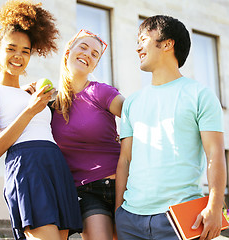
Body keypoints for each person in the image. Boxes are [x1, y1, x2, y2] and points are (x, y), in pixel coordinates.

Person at [0, 1, 82, 240]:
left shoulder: (31, 93)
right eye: (11, 48)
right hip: (27, 165)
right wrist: (31, 110)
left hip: (55, 164)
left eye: (25, 51)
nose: (18, 56)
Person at [115, 15, 226, 240]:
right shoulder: (132, 103)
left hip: (179, 218)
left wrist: (215, 207)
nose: (138, 48)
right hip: (130, 219)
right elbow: (125, 159)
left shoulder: (200, 95)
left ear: (167, 44)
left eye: (143, 39)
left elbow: (215, 153)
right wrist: (118, 212)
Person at [50, 29, 125, 240]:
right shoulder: (49, 104)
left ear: (95, 65)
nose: (88, 54)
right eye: (83, 47)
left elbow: (136, 117)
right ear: (68, 51)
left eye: (95, 54)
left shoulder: (101, 91)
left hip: (124, 186)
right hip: (86, 192)